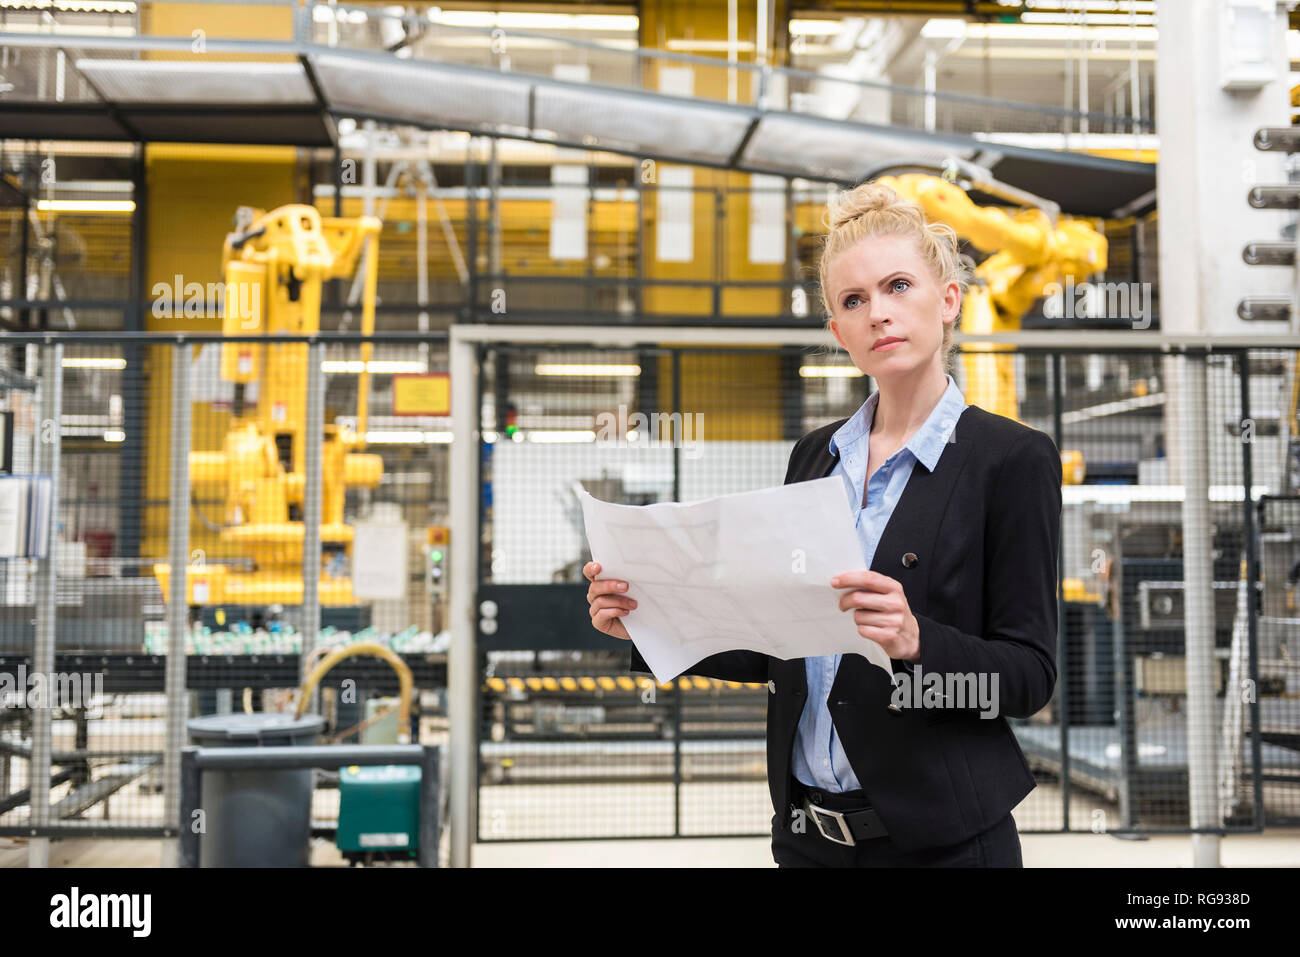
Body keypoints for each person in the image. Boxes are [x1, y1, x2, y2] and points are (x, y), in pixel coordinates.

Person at [584, 180, 1062, 867]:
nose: (879, 314)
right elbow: (781, 642)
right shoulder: (816, 454)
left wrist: (916, 639)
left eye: (899, 285)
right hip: (810, 841)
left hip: (944, 845)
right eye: (854, 300)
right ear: (838, 332)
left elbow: (1028, 676)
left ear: (949, 299)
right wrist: (648, 616)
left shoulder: (1011, 460)